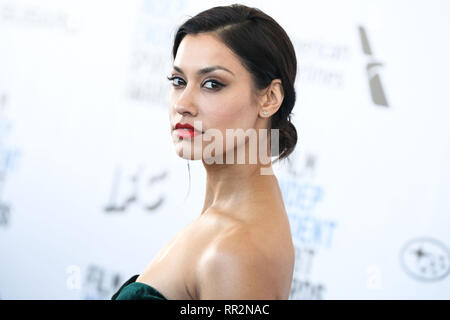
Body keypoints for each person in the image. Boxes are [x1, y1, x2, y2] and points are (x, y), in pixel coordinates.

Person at [112, 3, 298, 300]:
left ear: (269, 98)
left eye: (212, 83)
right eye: (178, 81)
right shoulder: (231, 223)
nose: (183, 103)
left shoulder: (235, 250)